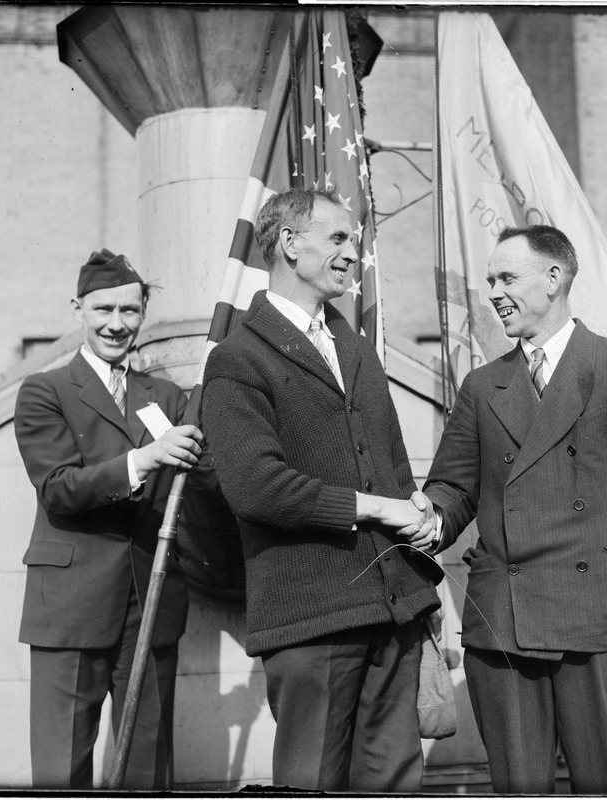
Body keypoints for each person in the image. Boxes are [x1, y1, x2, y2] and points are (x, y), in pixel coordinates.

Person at [421, 224, 607, 794]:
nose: (493, 291)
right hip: (504, 623)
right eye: (490, 279)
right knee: (517, 789)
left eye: (506, 277)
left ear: (554, 277)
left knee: (602, 786)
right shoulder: (482, 385)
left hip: (598, 620)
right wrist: (428, 517)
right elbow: (454, 489)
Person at [199, 189, 441, 793]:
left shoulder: (356, 349)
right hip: (311, 621)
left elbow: (392, 472)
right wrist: (376, 508)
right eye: (337, 238)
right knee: (314, 785)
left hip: (394, 612)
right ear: (289, 243)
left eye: (353, 241)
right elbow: (256, 487)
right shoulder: (237, 358)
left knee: (395, 785)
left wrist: (421, 532)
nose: (352, 253)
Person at [14, 249, 202, 789]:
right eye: (103, 310)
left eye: (129, 311)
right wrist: (145, 458)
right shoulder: (44, 391)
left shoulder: (165, 397)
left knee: (148, 767)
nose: (116, 324)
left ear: (143, 313)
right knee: (60, 771)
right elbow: (58, 489)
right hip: (71, 604)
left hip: (151, 600)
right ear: (79, 310)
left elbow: (198, 485)